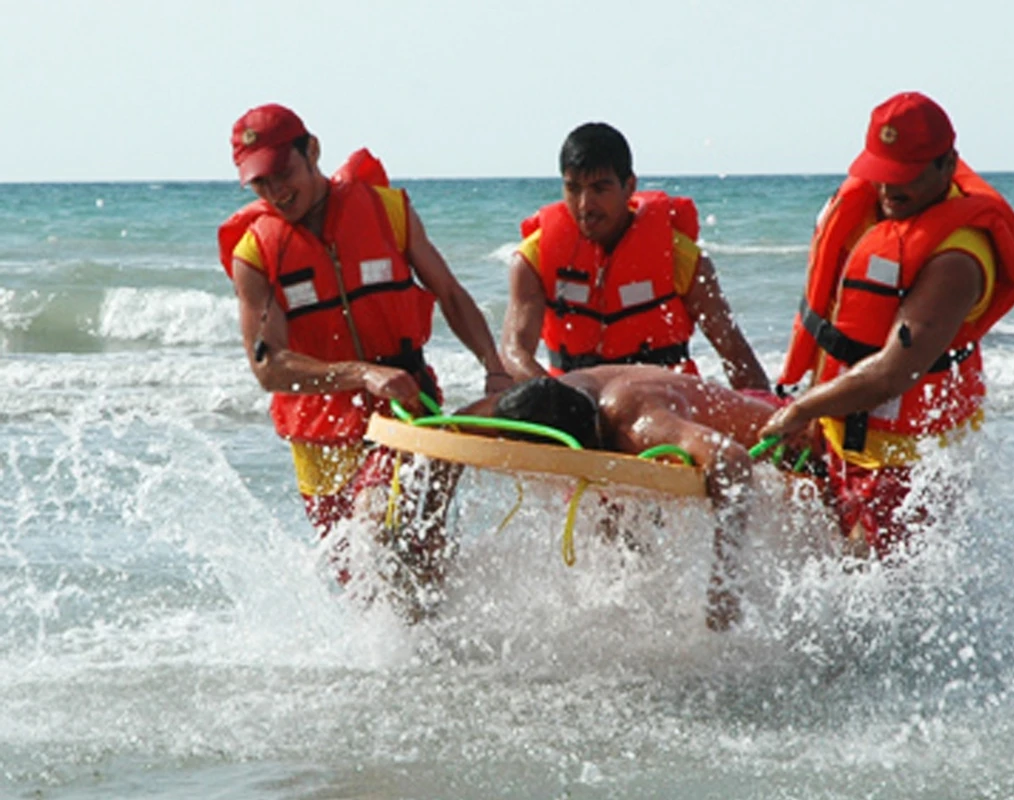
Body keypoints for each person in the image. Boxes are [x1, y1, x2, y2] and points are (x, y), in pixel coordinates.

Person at [216, 103, 512, 608]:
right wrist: (361, 373)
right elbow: (268, 367)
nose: (275, 192)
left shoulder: (387, 211)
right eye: (259, 184)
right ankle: (419, 674)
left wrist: (494, 366)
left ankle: (461, 652)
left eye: (282, 174)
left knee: (386, 533)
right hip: (318, 440)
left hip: (404, 413)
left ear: (312, 150)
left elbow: (451, 293)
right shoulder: (256, 254)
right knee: (367, 593)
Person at [763, 91, 1014, 558]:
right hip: (838, 439)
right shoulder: (871, 211)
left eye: (903, 178)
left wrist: (801, 409)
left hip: (911, 466)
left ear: (947, 165)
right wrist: (812, 413)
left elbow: (894, 372)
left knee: (865, 590)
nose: (889, 190)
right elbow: (835, 328)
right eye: (881, 175)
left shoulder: (959, 258)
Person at [458, 366, 795, 631]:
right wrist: (427, 540)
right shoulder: (528, 406)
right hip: (695, 417)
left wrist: (724, 583)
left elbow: (731, 460)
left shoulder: (636, 426)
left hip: (790, 438)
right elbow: (448, 431)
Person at [501, 122, 770, 392]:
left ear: (629, 186)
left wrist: (771, 415)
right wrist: (557, 400)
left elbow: (735, 353)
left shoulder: (680, 258)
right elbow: (514, 353)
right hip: (574, 401)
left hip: (661, 403)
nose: (585, 205)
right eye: (573, 189)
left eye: (599, 189)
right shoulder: (533, 259)